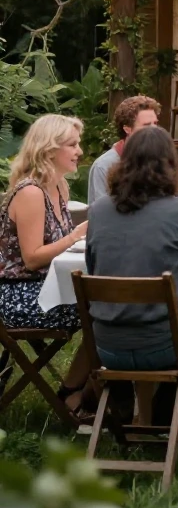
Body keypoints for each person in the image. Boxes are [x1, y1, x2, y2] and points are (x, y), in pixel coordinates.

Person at [86, 126, 178, 431]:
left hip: (106, 345)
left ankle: (141, 416)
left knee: (150, 319)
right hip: (164, 343)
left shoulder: (100, 210)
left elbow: (94, 270)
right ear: (170, 164)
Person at [0, 115, 91, 414]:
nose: (79, 150)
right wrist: (76, 236)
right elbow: (32, 257)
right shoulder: (30, 193)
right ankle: (75, 393)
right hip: (18, 295)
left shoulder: (59, 186)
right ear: (49, 149)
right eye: (72, 145)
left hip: (44, 286)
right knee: (108, 309)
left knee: (111, 304)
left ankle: (84, 390)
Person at [87, 95, 161, 204]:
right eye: (146, 125)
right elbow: (101, 213)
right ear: (127, 129)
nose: (154, 130)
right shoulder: (104, 166)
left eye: (155, 123)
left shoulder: (159, 159)